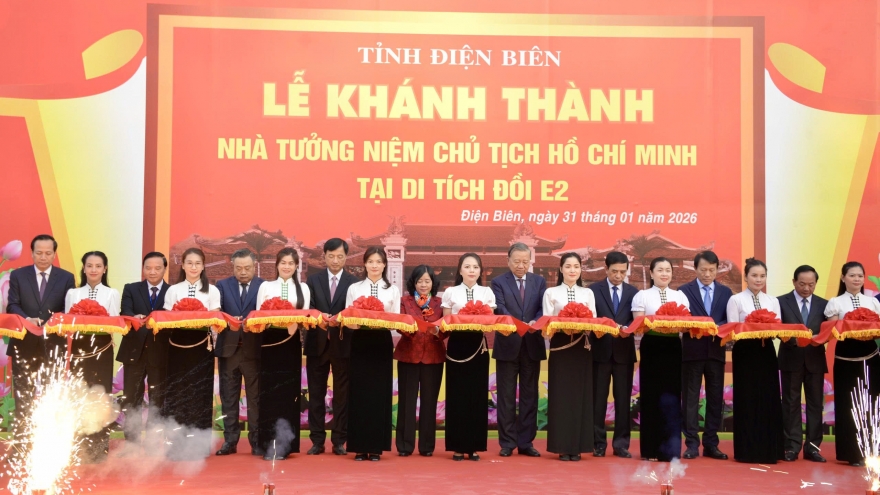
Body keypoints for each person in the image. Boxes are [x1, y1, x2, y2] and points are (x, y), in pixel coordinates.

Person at [5, 234, 75, 437]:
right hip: (23, 343)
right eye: (39, 253)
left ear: (54, 254)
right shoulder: (18, 275)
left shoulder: (66, 277)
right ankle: (22, 444)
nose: (43, 257)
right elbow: (12, 305)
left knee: (50, 395)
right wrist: (27, 319)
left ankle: (48, 440)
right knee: (23, 396)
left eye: (48, 253)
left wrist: (53, 321)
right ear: (31, 253)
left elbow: (68, 308)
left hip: (53, 345)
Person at [162, 247, 221, 460]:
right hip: (176, 345)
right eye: (189, 263)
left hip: (202, 346)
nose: (193, 267)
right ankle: (175, 445)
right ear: (183, 265)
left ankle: (199, 445)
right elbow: (166, 319)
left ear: (203, 266)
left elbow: (215, 319)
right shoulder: (173, 290)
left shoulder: (212, 291)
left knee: (200, 393)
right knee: (178, 393)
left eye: (197, 263)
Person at [343, 247, 400, 461]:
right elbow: (348, 317)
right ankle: (359, 446)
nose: (374, 265)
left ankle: (376, 447)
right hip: (360, 340)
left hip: (381, 341)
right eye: (370, 261)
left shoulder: (392, 290)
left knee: (379, 392)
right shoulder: (354, 288)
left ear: (384, 264)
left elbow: (395, 320)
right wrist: (360, 322)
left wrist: (379, 321)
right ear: (365, 264)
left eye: (378, 261)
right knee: (359, 392)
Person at [491, 243, 547, 458]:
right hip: (508, 343)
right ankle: (507, 442)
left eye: (525, 261)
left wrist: (535, 321)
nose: (521, 265)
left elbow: (543, 308)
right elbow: (500, 307)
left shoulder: (539, 281)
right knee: (505, 396)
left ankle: (526, 442)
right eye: (517, 261)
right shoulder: (498, 282)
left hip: (532, 344)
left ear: (530, 261)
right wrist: (517, 324)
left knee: (529, 395)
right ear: (508, 261)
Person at [726, 257, 784, 464]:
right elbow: (733, 330)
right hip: (745, 352)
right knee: (747, 398)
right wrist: (752, 327)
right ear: (746, 277)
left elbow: (778, 329)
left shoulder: (773, 301)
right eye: (754, 276)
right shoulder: (736, 300)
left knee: (769, 398)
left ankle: (770, 450)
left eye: (762, 276)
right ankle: (747, 450)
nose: (758, 280)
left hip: (766, 351)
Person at [631, 257, 689, 462]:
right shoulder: (642, 295)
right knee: (651, 396)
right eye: (660, 270)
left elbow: (686, 326)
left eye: (668, 270)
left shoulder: (680, 296)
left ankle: (671, 451)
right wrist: (660, 323)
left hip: (673, 347)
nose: (664, 274)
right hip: (652, 347)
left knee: (672, 398)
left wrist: (673, 326)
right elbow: (638, 325)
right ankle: (650, 450)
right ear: (651, 273)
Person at [64, 251, 120, 462]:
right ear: (84, 268)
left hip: (102, 347)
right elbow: (67, 323)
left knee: (101, 394)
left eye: (98, 266)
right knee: (79, 393)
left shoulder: (112, 293)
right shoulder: (73, 293)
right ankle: (78, 447)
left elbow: (114, 322)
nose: (94, 270)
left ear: (105, 269)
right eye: (90, 265)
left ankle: (99, 447)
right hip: (79, 347)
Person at [255, 247, 310, 461]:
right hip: (270, 341)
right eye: (283, 262)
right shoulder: (266, 286)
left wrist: (292, 322)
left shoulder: (303, 288)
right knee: (269, 392)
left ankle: (286, 445)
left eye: (291, 263)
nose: (287, 266)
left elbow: (305, 317)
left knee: (288, 392)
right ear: (277, 265)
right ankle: (267, 444)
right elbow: (258, 316)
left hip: (291, 341)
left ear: (297, 266)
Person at [304, 238, 358, 456]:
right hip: (317, 344)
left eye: (340, 256)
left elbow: (354, 311)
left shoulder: (353, 283)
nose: (335, 260)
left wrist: (339, 318)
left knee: (341, 395)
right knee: (316, 394)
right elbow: (308, 308)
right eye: (331, 256)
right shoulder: (313, 280)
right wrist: (320, 316)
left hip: (343, 343)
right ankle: (317, 440)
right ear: (324, 256)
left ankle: (339, 440)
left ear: (346, 257)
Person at [824, 261, 880, 466]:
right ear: (843, 278)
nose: (857, 279)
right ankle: (852, 453)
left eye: (860, 276)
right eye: (852, 275)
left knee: (872, 404)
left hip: (871, 357)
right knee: (848, 405)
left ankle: (873, 451)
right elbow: (831, 330)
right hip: (846, 359)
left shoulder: (873, 301)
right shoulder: (835, 302)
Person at [678, 251, 732, 460]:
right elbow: (681, 319)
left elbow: (730, 320)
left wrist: (717, 327)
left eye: (711, 270)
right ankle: (691, 444)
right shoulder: (684, 291)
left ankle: (711, 443)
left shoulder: (726, 292)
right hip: (692, 352)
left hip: (716, 352)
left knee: (715, 398)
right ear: (695, 269)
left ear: (717, 269)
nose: (707, 274)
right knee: (690, 399)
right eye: (703, 270)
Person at [443, 252, 496, 461]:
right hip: (457, 345)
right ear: (460, 270)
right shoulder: (451, 292)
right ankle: (457, 446)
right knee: (457, 394)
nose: (471, 270)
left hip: (478, 346)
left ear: (480, 270)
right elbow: (446, 323)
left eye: (475, 267)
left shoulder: (487, 292)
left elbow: (490, 322)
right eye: (467, 266)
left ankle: (474, 446)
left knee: (477, 394)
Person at [543, 253, 596, 461]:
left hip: (582, 346)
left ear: (581, 269)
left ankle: (578, 446)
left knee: (581, 395)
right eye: (568, 266)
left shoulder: (588, 293)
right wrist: (562, 326)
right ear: (561, 269)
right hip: (560, 345)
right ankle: (562, 446)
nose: (572, 270)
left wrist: (580, 325)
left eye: (576, 266)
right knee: (561, 395)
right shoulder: (551, 292)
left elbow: (593, 321)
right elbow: (546, 323)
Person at [215, 249, 265, 457]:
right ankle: (230, 441)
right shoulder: (222, 286)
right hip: (229, 349)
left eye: (247, 268)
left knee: (255, 398)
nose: (243, 272)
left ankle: (256, 441)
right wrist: (228, 320)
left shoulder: (264, 286)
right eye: (238, 268)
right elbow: (216, 313)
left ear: (255, 266)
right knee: (229, 397)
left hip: (254, 349)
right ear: (232, 266)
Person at [589, 251, 637, 459]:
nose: (619, 276)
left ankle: (621, 445)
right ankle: (598, 443)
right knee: (597, 401)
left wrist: (628, 328)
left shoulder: (634, 292)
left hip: (624, 354)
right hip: (599, 352)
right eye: (615, 271)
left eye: (623, 272)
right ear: (606, 269)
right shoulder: (593, 290)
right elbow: (590, 318)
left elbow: (637, 319)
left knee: (623, 401)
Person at [119, 252, 170, 445]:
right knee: (131, 398)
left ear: (164, 269)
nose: (152, 272)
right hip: (134, 351)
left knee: (158, 398)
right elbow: (125, 311)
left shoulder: (172, 291)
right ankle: (131, 441)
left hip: (161, 352)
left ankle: (153, 441)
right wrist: (134, 318)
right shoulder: (131, 288)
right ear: (143, 269)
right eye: (148, 268)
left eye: (157, 268)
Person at [777, 265, 827, 463]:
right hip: (791, 358)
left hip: (815, 360)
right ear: (794, 282)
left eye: (811, 284)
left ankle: (813, 448)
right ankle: (791, 447)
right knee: (790, 403)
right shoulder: (780, 302)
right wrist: (794, 340)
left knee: (815, 404)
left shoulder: (824, 304)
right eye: (802, 284)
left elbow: (828, 330)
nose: (806, 288)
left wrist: (819, 338)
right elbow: (776, 328)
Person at [395, 265, 445, 457]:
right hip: (408, 355)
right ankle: (404, 446)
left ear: (433, 283)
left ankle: (427, 446)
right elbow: (399, 325)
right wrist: (411, 329)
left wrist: (438, 331)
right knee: (406, 402)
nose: (423, 285)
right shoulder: (404, 301)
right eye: (419, 281)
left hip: (433, 357)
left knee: (429, 402)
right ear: (413, 283)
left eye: (427, 281)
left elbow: (446, 329)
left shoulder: (440, 303)